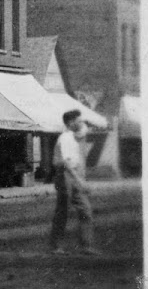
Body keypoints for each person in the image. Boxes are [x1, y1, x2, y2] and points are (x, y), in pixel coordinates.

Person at [51, 109, 97, 254]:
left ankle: (86, 246)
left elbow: (83, 132)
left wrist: (80, 179)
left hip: (74, 174)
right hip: (65, 175)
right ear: (71, 122)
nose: (81, 123)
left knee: (85, 210)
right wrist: (80, 181)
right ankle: (56, 246)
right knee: (63, 211)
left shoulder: (74, 137)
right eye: (78, 120)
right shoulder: (65, 138)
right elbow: (66, 163)